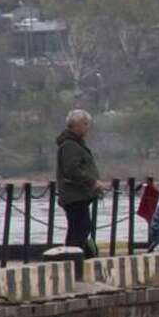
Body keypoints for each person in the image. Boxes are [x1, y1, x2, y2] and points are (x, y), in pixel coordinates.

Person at [55, 109, 101, 256]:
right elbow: (72, 170)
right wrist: (91, 181)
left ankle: (76, 258)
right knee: (80, 227)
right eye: (85, 124)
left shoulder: (76, 143)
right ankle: (74, 260)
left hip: (79, 195)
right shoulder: (70, 145)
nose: (88, 127)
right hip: (74, 196)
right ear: (75, 125)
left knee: (80, 227)